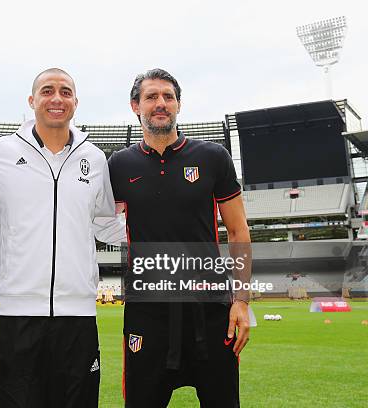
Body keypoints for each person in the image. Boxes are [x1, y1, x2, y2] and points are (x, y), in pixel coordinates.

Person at [0, 68, 125, 408]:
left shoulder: (95, 159)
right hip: (18, 314)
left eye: (65, 91)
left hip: (79, 316)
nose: (56, 98)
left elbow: (104, 223)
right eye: (47, 90)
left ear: (75, 102)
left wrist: (164, 226)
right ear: (32, 100)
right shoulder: (1, 152)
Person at [108, 68, 251, 407]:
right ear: (135, 106)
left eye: (168, 97)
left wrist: (242, 300)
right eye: (151, 97)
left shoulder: (213, 157)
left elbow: (237, 231)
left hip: (211, 311)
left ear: (178, 105)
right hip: (148, 312)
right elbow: (94, 221)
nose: (161, 103)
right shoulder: (118, 165)